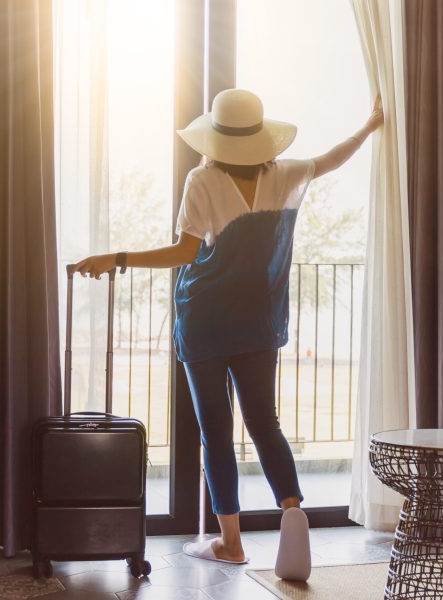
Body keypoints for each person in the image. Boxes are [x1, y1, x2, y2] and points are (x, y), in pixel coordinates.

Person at [73, 88, 383, 580]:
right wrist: (368, 128)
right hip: (260, 322)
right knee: (265, 423)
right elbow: (332, 159)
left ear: (215, 138)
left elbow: (184, 254)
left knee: (216, 432)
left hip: (206, 320)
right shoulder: (286, 174)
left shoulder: (203, 179)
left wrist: (117, 258)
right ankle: (293, 517)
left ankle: (231, 543)